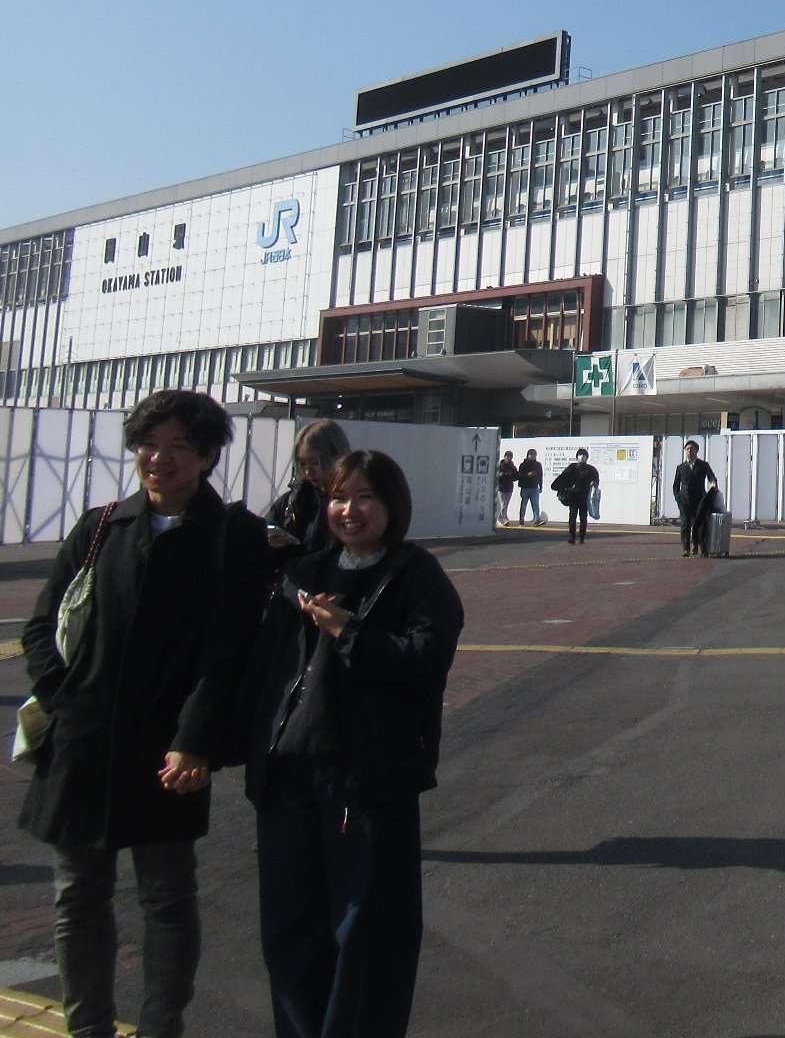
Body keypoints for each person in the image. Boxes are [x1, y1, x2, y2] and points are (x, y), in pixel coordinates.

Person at [19, 389, 270, 1038]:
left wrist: (195, 740)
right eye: (148, 444)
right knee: (77, 898)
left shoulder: (232, 536)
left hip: (168, 752)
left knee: (166, 897)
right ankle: (89, 1029)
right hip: (83, 743)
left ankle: (161, 1026)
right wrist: (62, 695)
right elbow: (44, 624)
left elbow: (230, 651)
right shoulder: (102, 526)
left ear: (209, 455)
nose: (159, 458)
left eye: (179, 446)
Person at [241, 449, 465, 1038]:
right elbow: (264, 667)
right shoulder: (303, 575)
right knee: (290, 929)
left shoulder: (417, 575)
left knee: (367, 933)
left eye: (366, 497)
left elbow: (425, 659)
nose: (349, 509)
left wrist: (350, 634)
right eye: (340, 496)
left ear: (392, 505)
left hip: (367, 781)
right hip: (289, 778)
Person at [264, 418, 352, 562]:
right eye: (302, 463)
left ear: (338, 456)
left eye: (315, 462)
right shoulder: (292, 500)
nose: (307, 471)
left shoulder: (353, 504)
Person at [672, 441, 719, 556]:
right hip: (684, 500)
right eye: (687, 449)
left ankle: (702, 548)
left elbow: (711, 477)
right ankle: (686, 548)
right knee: (685, 524)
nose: (689, 451)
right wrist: (677, 498)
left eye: (692, 449)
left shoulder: (703, 465)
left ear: (697, 451)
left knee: (701, 525)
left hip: (700, 500)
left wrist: (713, 483)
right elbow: (675, 485)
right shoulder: (681, 467)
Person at [552, 448, 600, 545]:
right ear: (577, 457)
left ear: (587, 458)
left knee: (583, 518)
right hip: (573, 496)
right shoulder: (572, 467)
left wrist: (594, 483)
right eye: (580, 455)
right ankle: (572, 537)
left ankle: (582, 537)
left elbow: (596, 480)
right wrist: (561, 489)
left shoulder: (591, 469)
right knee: (572, 518)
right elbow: (563, 477)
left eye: (584, 456)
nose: (582, 458)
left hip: (584, 497)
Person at [515, 448, 544, 524]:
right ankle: (521, 519)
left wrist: (541, 486)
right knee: (524, 504)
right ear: (528, 455)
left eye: (534, 455)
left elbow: (540, 476)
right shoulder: (523, 464)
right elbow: (519, 476)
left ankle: (537, 519)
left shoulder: (538, 464)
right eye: (531, 454)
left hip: (534, 487)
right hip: (525, 487)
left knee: (535, 504)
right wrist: (527, 475)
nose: (533, 456)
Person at [494, 451, 517, 525]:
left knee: (506, 504)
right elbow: (496, 475)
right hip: (501, 487)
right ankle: (503, 519)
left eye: (510, 456)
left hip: (509, 487)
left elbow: (515, 477)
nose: (509, 458)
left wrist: (512, 474)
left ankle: (501, 517)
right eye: (507, 456)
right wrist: (503, 474)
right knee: (503, 503)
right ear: (504, 457)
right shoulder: (500, 465)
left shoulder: (512, 466)